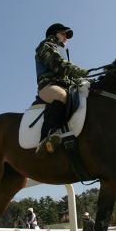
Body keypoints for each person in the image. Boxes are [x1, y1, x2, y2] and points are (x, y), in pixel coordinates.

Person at [34, 23, 89, 154]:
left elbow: (69, 76)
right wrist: (83, 72)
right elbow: (59, 65)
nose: (66, 38)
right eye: (63, 34)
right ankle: (45, 139)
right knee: (62, 96)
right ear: (54, 34)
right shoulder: (45, 46)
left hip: (64, 85)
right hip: (48, 86)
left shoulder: (61, 50)